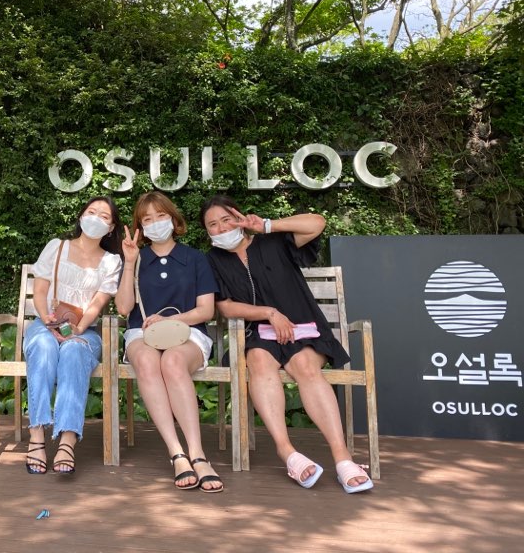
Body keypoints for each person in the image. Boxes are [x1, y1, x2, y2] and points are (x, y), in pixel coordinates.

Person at [201, 194, 374, 494]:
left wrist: (267, 225)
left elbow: (317, 223)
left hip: (303, 328)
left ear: (239, 217)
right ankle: (287, 451)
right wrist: (269, 313)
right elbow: (225, 307)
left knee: (305, 365)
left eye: (226, 219)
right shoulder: (213, 260)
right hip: (258, 332)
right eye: (212, 225)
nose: (221, 228)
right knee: (258, 361)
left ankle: (342, 458)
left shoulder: (273, 242)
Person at [114, 191, 224, 492]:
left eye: (161, 216)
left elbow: (206, 310)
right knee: (148, 361)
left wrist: (170, 321)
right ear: (140, 227)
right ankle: (177, 453)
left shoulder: (195, 258)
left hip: (189, 332)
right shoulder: (136, 259)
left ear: (174, 220)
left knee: (173, 360)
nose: (155, 223)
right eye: (147, 219)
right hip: (142, 333)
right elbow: (123, 308)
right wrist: (129, 262)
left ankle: (198, 454)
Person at [24, 195, 124, 475]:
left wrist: (78, 329)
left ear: (111, 227)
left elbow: (97, 304)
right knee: (43, 346)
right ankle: (37, 436)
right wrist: (46, 317)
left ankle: (67, 440)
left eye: (104, 216)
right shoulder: (57, 247)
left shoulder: (112, 261)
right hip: (46, 322)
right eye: (91, 212)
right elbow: (40, 291)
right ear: (81, 217)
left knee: (74, 349)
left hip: (84, 329)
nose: (95, 218)